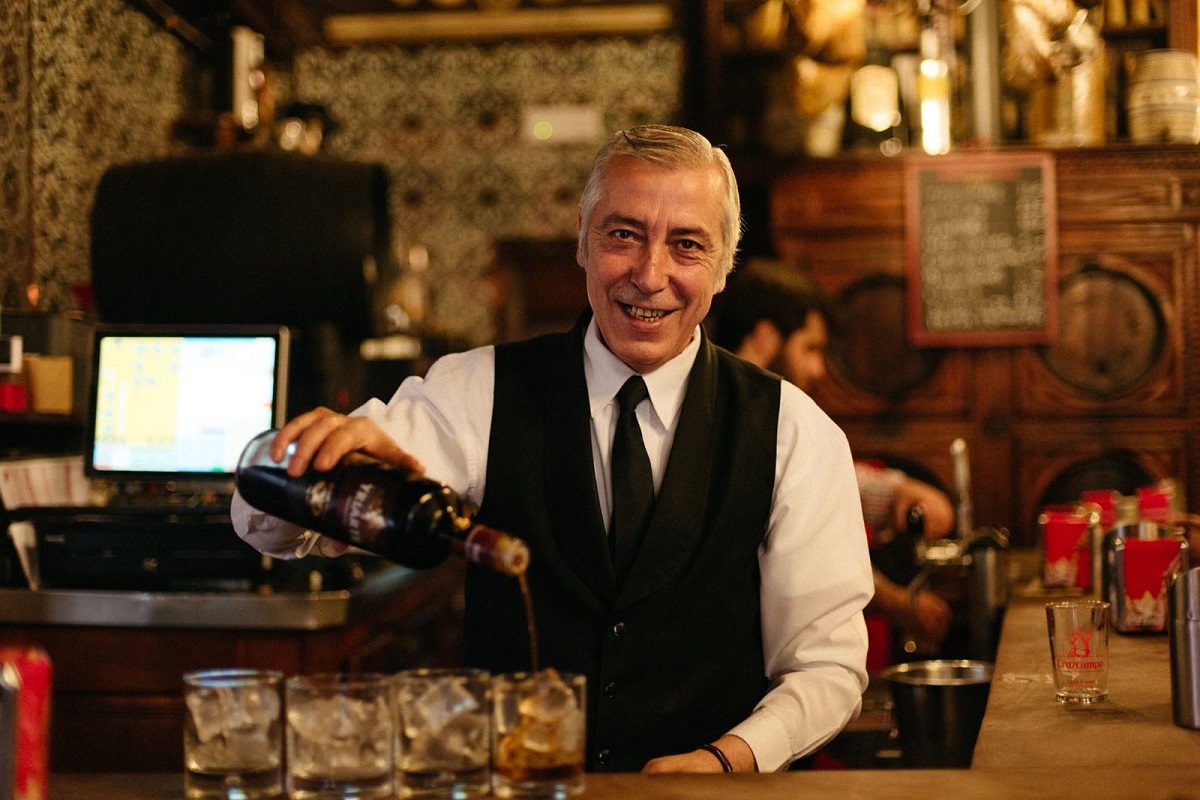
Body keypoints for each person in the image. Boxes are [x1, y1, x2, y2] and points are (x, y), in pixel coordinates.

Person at [232, 125, 873, 774]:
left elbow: (828, 666)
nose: (650, 275)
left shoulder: (795, 433)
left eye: (686, 245)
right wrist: (313, 466)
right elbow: (265, 526)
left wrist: (728, 759)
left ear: (724, 265)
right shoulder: (476, 390)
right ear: (583, 239)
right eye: (623, 234)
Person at [707, 265, 955, 656]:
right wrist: (898, 602)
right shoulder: (722, 422)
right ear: (766, 337)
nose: (818, 369)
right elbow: (801, 563)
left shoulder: (768, 420)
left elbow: (811, 478)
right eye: (810, 349)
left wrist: (896, 490)